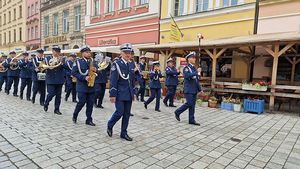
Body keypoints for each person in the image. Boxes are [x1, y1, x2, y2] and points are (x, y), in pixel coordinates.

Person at [107, 43, 135, 141]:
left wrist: (133, 92)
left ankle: (124, 133)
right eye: (126, 52)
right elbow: (113, 80)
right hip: (119, 93)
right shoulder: (117, 64)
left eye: (129, 52)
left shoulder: (131, 64)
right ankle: (110, 124)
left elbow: (132, 80)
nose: (128, 54)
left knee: (127, 114)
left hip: (128, 93)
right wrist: (112, 94)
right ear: (121, 53)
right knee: (119, 112)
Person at [174, 52, 202, 126]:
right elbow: (187, 76)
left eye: (194, 57)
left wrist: (200, 89)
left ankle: (191, 120)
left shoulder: (194, 68)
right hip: (188, 89)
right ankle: (177, 112)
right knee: (189, 103)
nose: (194, 59)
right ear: (189, 59)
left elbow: (196, 80)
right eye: (193, 57)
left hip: (194, 89)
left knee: (192, 105)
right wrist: (196, 72)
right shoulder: (186, 68)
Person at [72, 46, 96, 126]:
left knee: (90, 103)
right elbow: (74, 73)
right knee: (81, 102)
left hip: (91, 85)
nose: (89, 54)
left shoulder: (93, 61)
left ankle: (89, 119)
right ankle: (75, 115)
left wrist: (96, 72)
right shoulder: (78, 62)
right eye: (87, 52)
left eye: (89, 52)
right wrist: (84, 77)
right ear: (82, 53)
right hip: (82, 85)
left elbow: (97, 70)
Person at [43, 46, 65, 115]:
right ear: (52, 51)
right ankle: (46, 103)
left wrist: (62, 63)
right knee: (51, 94)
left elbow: (66, 67)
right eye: (55, 51)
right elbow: (43, 66)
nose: (57, 53)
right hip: (51, 79)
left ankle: (56, 109)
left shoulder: (62, 59)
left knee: (58, 96)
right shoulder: (47, 58)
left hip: (59, 79)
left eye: (58, 51)